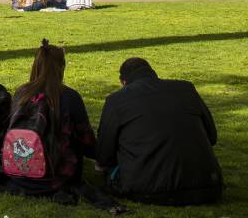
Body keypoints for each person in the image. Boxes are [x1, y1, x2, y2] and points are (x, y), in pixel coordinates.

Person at [95, 57, 221, 205]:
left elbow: (105, 154)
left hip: (145, 189)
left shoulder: (117, 100)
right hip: (207, 186)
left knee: (109, 170)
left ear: (123, 82)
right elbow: (211, 136)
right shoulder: (186, 89)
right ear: (153, 74)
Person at [0, 40, 96, 197]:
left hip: (17, 174)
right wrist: (101, 156)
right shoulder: (69, 96)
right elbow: (86, 138)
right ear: (61, 68)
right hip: (55, 178)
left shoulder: (21, 93)